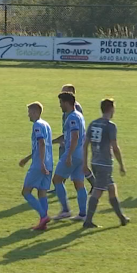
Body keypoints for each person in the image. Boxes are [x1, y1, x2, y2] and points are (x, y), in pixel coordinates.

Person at [82, 98, 129, 228]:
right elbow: (115, 147)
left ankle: (122, 218)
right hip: (105, 164)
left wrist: (85, 163)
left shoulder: (93, 123)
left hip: (95, 162)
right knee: (98, 190)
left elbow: (85, 145)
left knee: (112, 188)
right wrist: (121, 164)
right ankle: (88, 220)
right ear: (111, 109)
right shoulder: (110, 126)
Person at [51, 92, 88, 221]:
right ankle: (83, 214)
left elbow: (75, 136)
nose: (60, 105)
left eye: (61, 102)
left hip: (73, 153)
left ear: (66, 103)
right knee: (79, 183)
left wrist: (69, 155)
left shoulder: (72, 117)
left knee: (56, 180)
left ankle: (65, 210)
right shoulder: (79, 116)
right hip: (81, 154)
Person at [51, 84, 94, 193]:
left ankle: (63, 202)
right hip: (72, 144)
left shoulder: (75, 111)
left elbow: (76, 132)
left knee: (60, 176)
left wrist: (69, 151)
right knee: (78, 182)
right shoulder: (70, 111)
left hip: (73, 146)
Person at [18, 102, 52, 231]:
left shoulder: (37, 125)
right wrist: (27, 159)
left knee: (26, 192)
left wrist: (41, 163)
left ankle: (44, 216)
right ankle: (43, 223)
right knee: (42, 192)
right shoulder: (46, 125)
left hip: (39, 165)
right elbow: (41, 146)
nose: (28, 115)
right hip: (48, 164)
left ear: (36, 112)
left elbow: (42, 144)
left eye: (30, 112)